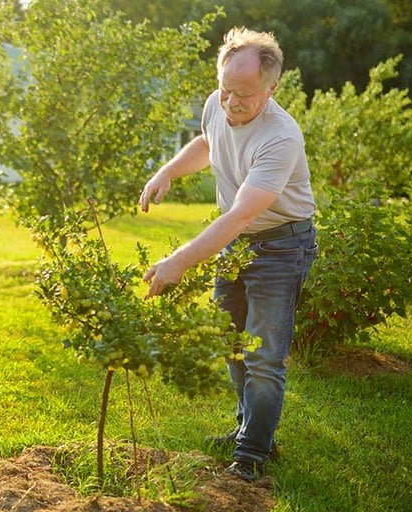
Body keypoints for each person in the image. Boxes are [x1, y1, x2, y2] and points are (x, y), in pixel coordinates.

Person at [138, 27, 318, 482]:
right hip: (237, 244)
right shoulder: (218, 103)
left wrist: (179, 261)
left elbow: (239, 216)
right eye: (226, 89)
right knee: (230, 342)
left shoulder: (281, 137)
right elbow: (207, 142)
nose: (232, 102)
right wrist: (167, 172)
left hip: (281, 244)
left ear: (271, 89)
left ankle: (253, 454)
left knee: (263, 354)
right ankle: (251, 430)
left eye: (245, 94)